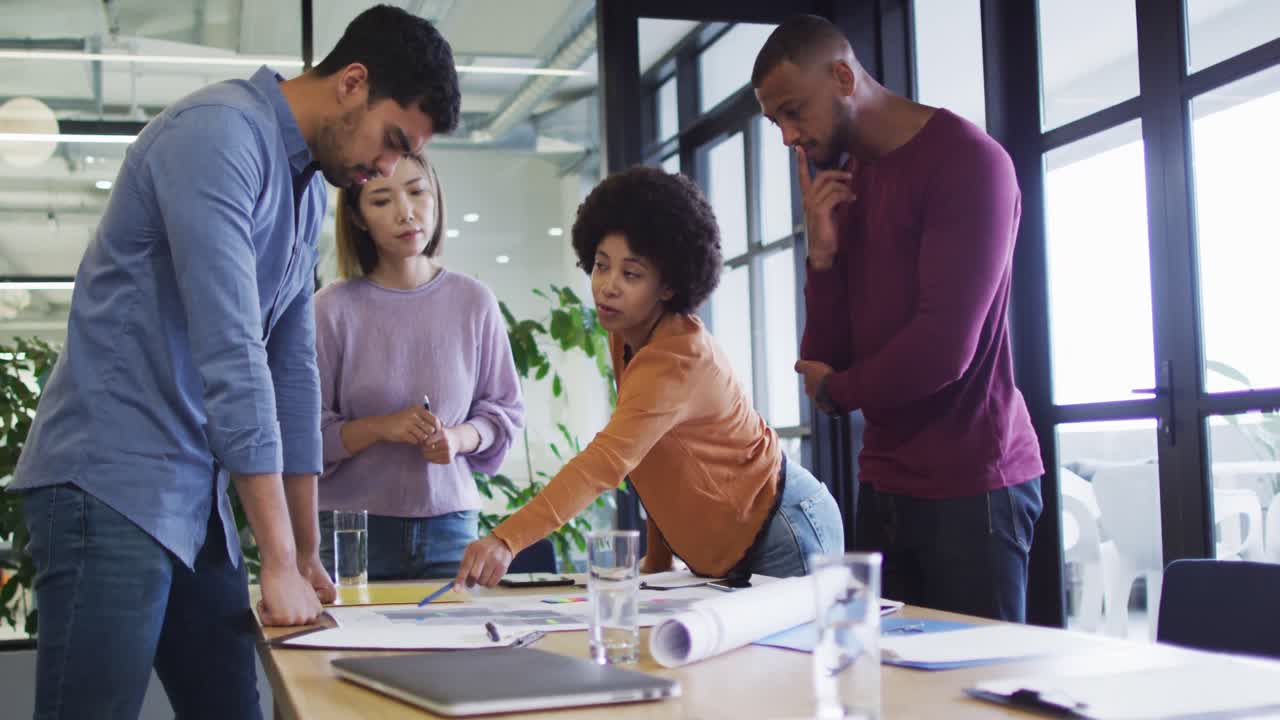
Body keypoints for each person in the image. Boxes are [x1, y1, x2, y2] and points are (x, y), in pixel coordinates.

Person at [6, 5, 459, 718]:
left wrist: (305, 551)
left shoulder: (306, 188)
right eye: (393, 139)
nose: (389, 166)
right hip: (109, 482)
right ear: (351, 82)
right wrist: (275, 560)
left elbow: (290, 369)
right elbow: (231, 350)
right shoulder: (218, 135)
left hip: (195, 498)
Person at [752, 15, 1044, 622]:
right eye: (775, 120)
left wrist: (841, 387)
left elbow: (942, 348)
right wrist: (823, 254)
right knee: (887, 691)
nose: (787, 136)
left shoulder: (969, 162)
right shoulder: (842, 184)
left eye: (793, 111)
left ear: (841, 76)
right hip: (884, 481)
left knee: (976, 695)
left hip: (974, 485)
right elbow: (825, 361)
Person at [454, 166, 844, 589]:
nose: (607, 287)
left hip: (784, 528)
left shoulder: (678, 356)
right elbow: (653, 452)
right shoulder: (624, 334)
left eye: (631, 274)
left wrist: (505, 540)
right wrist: (658, 561)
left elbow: (607, 462)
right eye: (601, 266)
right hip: (734, 542)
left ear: (668, 286)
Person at [315, 149, 523, 581]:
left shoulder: (474, 302)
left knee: (451, 647)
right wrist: (380, 427)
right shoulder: (330, 309)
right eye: (381, 200)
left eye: (417, 193)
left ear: (436, 200)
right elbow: (304, 436)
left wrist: (458, 438)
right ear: (357, 218)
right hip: (350, 530)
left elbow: (503, 413)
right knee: (350, 649)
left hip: (450, 527)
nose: (406, 213)